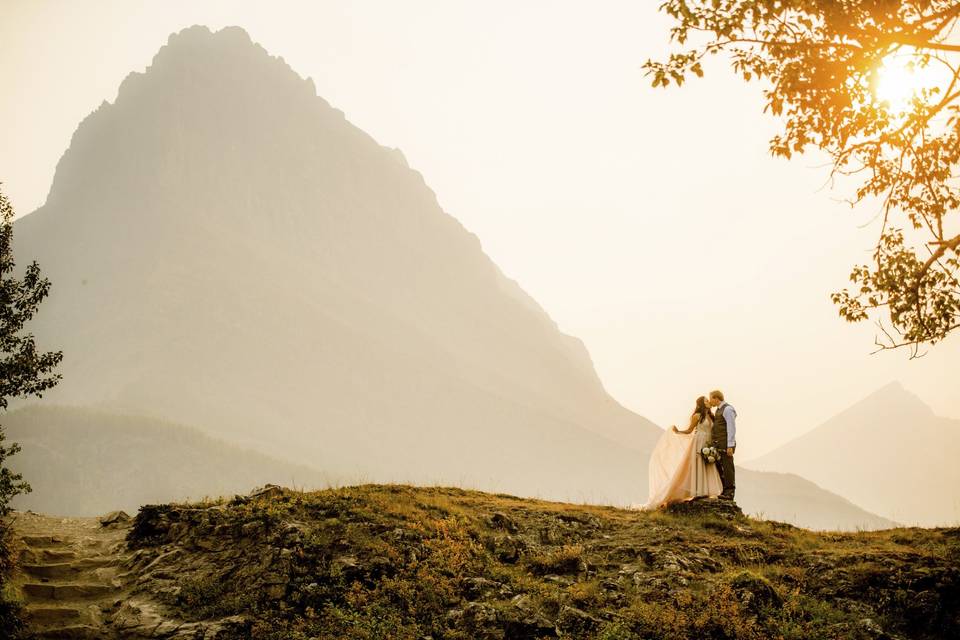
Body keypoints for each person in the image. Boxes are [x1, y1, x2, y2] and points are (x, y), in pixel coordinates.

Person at [641, 395, 723, 509]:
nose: (708, 401)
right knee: (698, 465)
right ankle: (697, 491)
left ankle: (706, 491)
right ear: (702, 404)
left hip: (708, 443)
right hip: (698, 442)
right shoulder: (697, 416)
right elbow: (690, 430)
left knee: (707, 465)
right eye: (706, 401)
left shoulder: (711, 416)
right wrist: (678, 432)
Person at [707, 389, 737, 501]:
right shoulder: (718, 410)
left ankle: (730, 492)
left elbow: (731, 428)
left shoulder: (728, 409)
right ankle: (724, 490)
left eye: (711, 399)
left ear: (716, 398)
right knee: (721, 467)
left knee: (728, 467)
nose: (710, 402)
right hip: (719, 444)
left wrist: (730, 445)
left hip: (726, 444)